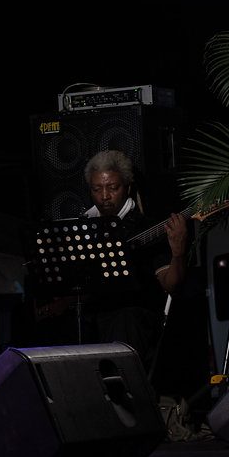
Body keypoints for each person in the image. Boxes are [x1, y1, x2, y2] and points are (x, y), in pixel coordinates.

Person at [81, 150, 188, 369]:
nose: (104, 196)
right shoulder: (82, 226)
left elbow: (171, 284)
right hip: (94, 316)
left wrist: (178, 253)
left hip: (132, 319)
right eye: (97, 189)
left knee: (125, 318)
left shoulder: (146, 228)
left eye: (113, 188)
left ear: (127, 188)